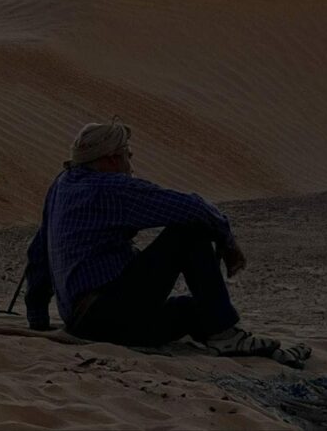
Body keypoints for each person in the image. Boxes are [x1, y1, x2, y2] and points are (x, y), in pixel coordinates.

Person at [24, 118, 309, 365]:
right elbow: (191, 207)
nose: (130, 163)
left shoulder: (62, 185)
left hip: (83, 324)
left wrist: (37, 317)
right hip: (107, 314)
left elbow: (39, 253)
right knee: (189, 232)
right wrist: (227, 241)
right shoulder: (109, 188)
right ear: (111, 159)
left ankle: (272, 356)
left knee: (195, 310)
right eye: (128, 154)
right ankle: (226, 336)